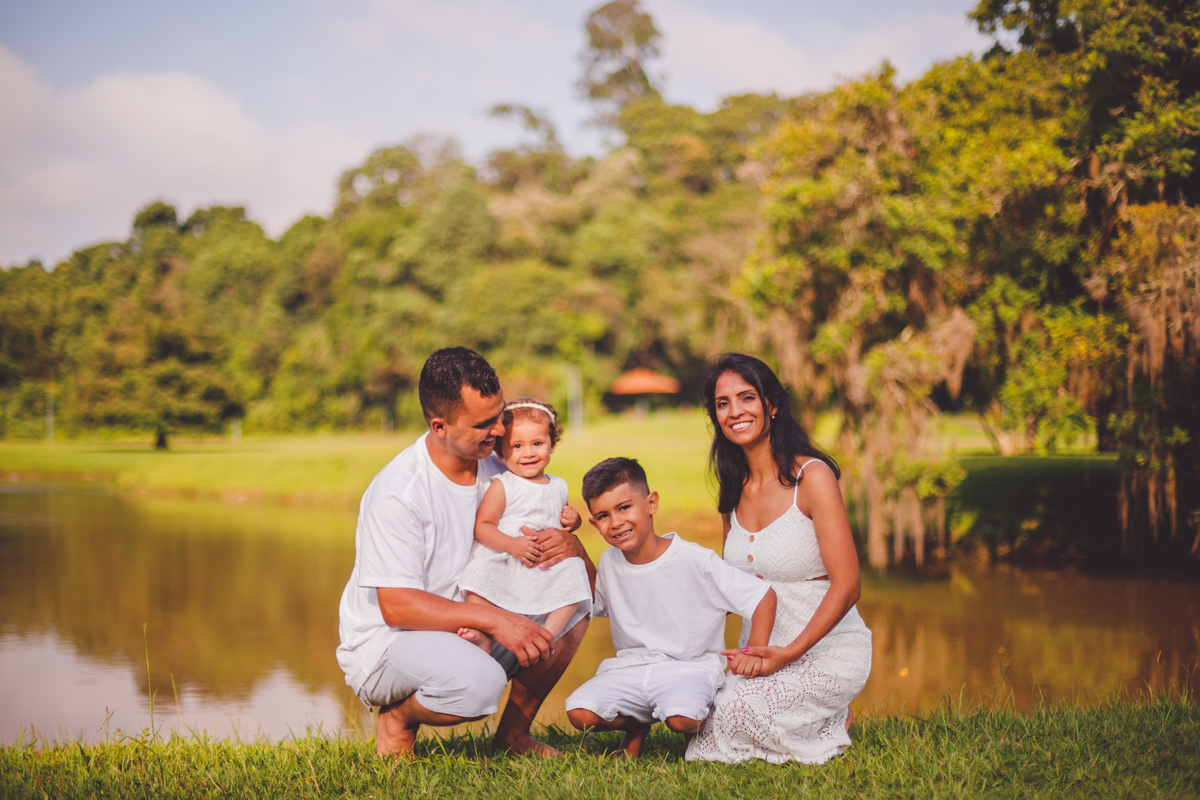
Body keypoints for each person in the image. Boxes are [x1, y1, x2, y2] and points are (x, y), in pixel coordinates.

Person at [335, 347, 594, 756]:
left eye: (500, 415)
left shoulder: (501, 466)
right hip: (388, 644)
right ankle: (399, 717)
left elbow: (569, 563)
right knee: (478, 688)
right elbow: (396, 608)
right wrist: (497, 621)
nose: (499, 431)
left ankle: (513, 737)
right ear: (439, 426)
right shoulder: (399, 494)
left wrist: (571, 545)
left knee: (577, 602)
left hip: (471, 625)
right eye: (484, 424)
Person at [685, 353, 872, 765]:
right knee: (703, 714)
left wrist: (790, 651)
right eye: (722, 403)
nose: (735, 412)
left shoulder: (812, 477)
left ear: (771, 404)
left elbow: (848, 586)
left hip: (824, 648)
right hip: (758, 652)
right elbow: (727, 588)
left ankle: (833, 716)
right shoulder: (732, 487)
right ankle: (815, 717)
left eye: (746, 398)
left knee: (741, 714)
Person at [565, 457, 777, 758]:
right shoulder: (610, 561)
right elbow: (600, 604)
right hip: (632, 667)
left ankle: (701, 713)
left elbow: (762, 596)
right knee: (580, 713)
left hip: (689, 668)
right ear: (594, 523)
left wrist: (752, 653)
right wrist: (578, 552)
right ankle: (638, 725)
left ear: (651, 503)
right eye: (603, 515)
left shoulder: (694, 560)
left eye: (624, 507)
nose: (615, 523)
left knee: (682, 719)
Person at [457, 398, 592, 651]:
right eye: (516, 446)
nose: (528, 452)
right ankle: (484, 631)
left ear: (552, 445)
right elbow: (483, 526)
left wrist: (573, 521)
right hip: (507, 557)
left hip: (543, 563)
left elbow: (560, 524)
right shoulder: (503, 485)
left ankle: (548, 634)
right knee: (479, 574)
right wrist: (510, 545)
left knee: (575, 571)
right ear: (500, 452)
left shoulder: (558, 485)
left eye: (537, 443)